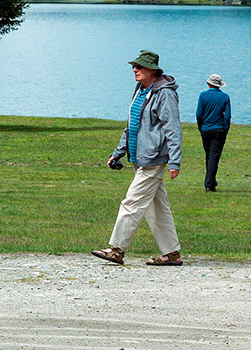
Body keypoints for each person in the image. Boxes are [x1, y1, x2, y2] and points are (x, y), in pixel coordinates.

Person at [91, 50, 183, 266]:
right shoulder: (141, 90)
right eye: (134, 66)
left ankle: (116, 249)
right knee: (156, 207)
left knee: (132, 202)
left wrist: (175, 161)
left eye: (139, 67)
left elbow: (173, 129)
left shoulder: (164, 94)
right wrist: (118, 151)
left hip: (153, 159)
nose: (135, 69)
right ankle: (172, 254)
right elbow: (132, 126)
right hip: (139, 157)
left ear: (152, 70)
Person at [196, 74, 231, 192]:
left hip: (206, 129)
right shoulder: (225, 97)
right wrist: (225, 129)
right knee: (214, 156)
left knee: (209, 155)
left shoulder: (203, 96)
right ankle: (209, 184)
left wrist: (200, 126)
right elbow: (227, 116)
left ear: (209, 84)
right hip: (218, 130)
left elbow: (199, 114)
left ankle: (211, 181)